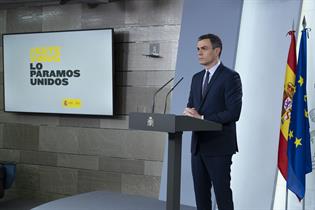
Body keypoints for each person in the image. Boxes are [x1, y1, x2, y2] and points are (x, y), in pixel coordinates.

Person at [183, 33, 242, 210]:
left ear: (217, 51)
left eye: (204, 48)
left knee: (222, 196)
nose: (199, 52)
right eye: (198, 49)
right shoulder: (196, 78)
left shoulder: (230, 77)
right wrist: (188, 112)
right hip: (198, 146)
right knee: (201, 197)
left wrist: (202, 118)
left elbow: (233, 113)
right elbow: (191, 106)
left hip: (219, 147)